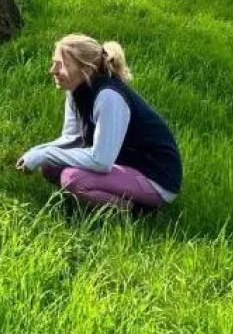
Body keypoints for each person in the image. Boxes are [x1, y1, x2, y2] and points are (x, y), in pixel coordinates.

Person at [16, 34, 181, 214]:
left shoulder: (109, 97)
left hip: (156, 178)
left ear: (85, 69)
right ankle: (95, 199)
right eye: (54, 63)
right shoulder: (75, 91)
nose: (52, 70)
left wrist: (45, 153)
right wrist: (37, 153)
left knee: (72, 179)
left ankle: (140, 213)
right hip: (124, 165)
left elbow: (101, 161)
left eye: (61, 65)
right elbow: (73, 139)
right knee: (50, 166)